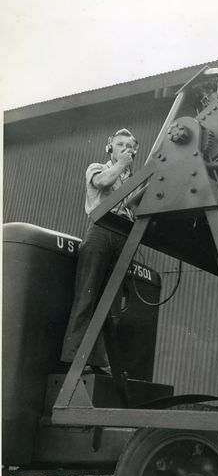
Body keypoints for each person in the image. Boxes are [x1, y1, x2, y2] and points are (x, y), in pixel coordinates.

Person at [60, 128, 139, 374]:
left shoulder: (134, 179)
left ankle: (99, 361)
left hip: (124, 235)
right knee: (87, 295)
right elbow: (103, 182)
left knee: (112, 304)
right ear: (110, 148)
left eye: (129, 145)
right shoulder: (98, 168)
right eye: (120, 144)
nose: (125, 149)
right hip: (101, 230)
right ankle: (76, 360)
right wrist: (122, 166)